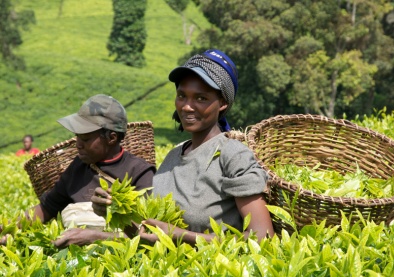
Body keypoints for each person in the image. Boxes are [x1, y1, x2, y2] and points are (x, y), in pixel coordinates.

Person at [93, 50, 274, 244]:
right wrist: (116, 213)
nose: (187, 106)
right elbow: (149, 236)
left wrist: (178, 235)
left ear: (222, 103)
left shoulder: (233, 155)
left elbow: (264, 237)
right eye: (182, 96)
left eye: (201, 98)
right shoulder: (173, 157)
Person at [1, 94, 155, 247]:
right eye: (77, 137)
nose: (78, 145)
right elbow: (46, 208)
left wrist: (96, 238)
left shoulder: (140, 172)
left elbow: (147, 236)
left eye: (86, 139)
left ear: (111, 138)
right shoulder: (78, 167)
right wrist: (10, 227)